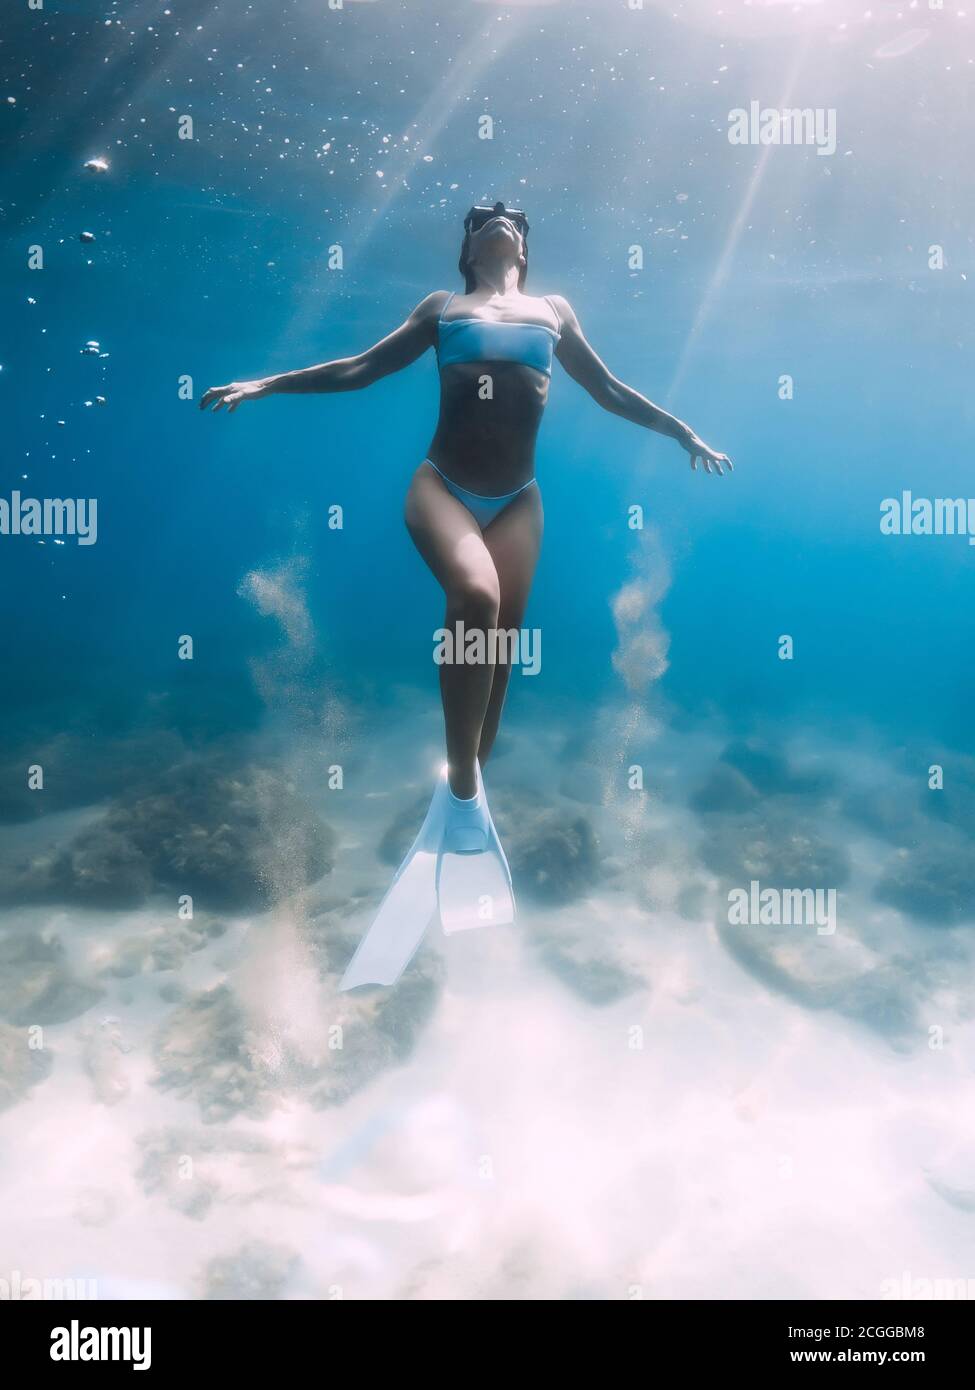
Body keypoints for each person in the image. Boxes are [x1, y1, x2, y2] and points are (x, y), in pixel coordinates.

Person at [201, 202, 732, 986]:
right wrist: (266, 382)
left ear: (524, 242)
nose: (499, 218)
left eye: (512, 216)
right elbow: (360, 368)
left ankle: (461, 809)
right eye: (483, 215)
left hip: (518, 498)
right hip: (441, 487)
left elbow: (610, 390)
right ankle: (456, 789)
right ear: (466, 243)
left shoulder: (553, 313)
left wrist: (682, 431)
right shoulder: (440, 309)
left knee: (499, 663)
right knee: (474, 603)